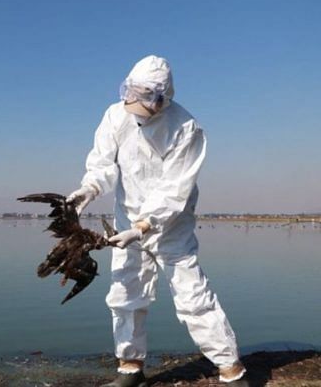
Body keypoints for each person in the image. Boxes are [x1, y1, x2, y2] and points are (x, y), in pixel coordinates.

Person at [67, 55, 248, 387]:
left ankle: (231, 371)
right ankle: (130, 368)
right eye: (129, 92)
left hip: (171, 227)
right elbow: (103, 164)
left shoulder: (186, 128)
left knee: (193, 297)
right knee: (124, 295)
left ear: (162, 98)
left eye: (141, 96)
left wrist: (143, 227)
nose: (131, 101)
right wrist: (88, 189)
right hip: (126, 221)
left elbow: (174, 189)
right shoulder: (114, 115)